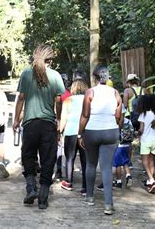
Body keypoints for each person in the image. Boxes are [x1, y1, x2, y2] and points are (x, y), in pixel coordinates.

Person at [13, 45, 65, 209]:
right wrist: (57, 118)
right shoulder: (55, 75)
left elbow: (21, 98)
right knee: (48, 159)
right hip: (48, 124)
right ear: (51, 61)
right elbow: (58, 100)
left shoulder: (27, 74)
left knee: (28, 156)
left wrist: (16, 119)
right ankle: (43, 198)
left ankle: (30, 188)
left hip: (30, 123)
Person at [78, 65, 122, 215]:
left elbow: (85, 115)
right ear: (108, 77)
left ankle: (90, 197)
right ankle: (108, 204)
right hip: (111, 131)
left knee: (91, 163)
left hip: (92, 131)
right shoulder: (116, 93)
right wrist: (116, 129)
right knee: (106, 167)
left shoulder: (90, 92)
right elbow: (118, 116)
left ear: (95, 78)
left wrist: (80, 134)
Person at [59, 78, 88, 195]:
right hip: (85, 132)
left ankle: (68, 182)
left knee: (70, 158)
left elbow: (64, 117)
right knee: (85, 159)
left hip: (70, 132)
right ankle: (85, 186)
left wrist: (59, 132)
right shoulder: (88, 100)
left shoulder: (68, 100)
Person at [137, 94, 155, 193]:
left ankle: (152, 180)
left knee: (144, 161)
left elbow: (141, 129)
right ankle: (150, 182)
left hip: (145, 140)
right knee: (151, 162)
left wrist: (137, 133)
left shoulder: (143, 114)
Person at [112, 112, 133, 189]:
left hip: (119, 145)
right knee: (125, 162)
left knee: (118, 164)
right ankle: (128, 175)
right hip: (127, 144)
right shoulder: (128, 121)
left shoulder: (116, 121)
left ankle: (119, 181)